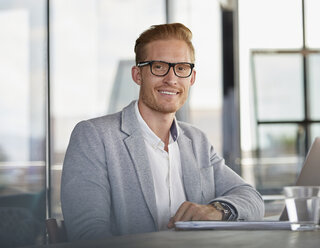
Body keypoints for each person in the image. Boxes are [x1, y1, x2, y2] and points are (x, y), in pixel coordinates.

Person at [61, 23, 264, 241]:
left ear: (191, 78)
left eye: (182, 68)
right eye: (159, 67)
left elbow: (251, 198)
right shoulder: (93, 137)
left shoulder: (197, 141)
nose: (171, 78)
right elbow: (89, 236)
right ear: (138, 75)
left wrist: (216, 211)